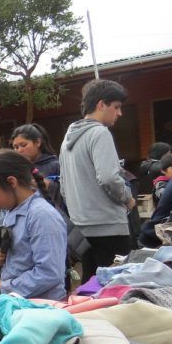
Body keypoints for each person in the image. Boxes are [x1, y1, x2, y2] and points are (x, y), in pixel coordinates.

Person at [60, 79, 135, 283]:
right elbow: (109, 177)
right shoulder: (100, 132)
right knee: (116, 286)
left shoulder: (68, 138)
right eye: (116, 107)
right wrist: (127, 198)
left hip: (82, 227)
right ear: (101, 104)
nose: (120, 113)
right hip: (109, 225)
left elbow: (64, 186)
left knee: (91, 286)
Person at [0, 150, 67, 301]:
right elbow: (17, 249)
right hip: (21, 304)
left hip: (40, 307)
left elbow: (49, 273)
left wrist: (5, 287)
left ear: (12, 182)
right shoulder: (11, 210)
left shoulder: (42, 215)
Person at [10, 123, 64, 210]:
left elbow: (68, 196)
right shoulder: (17, 170)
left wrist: (46, 184)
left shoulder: (56, 165)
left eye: (23, 145)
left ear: (38, 142)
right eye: (16, 147)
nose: (19, 150)